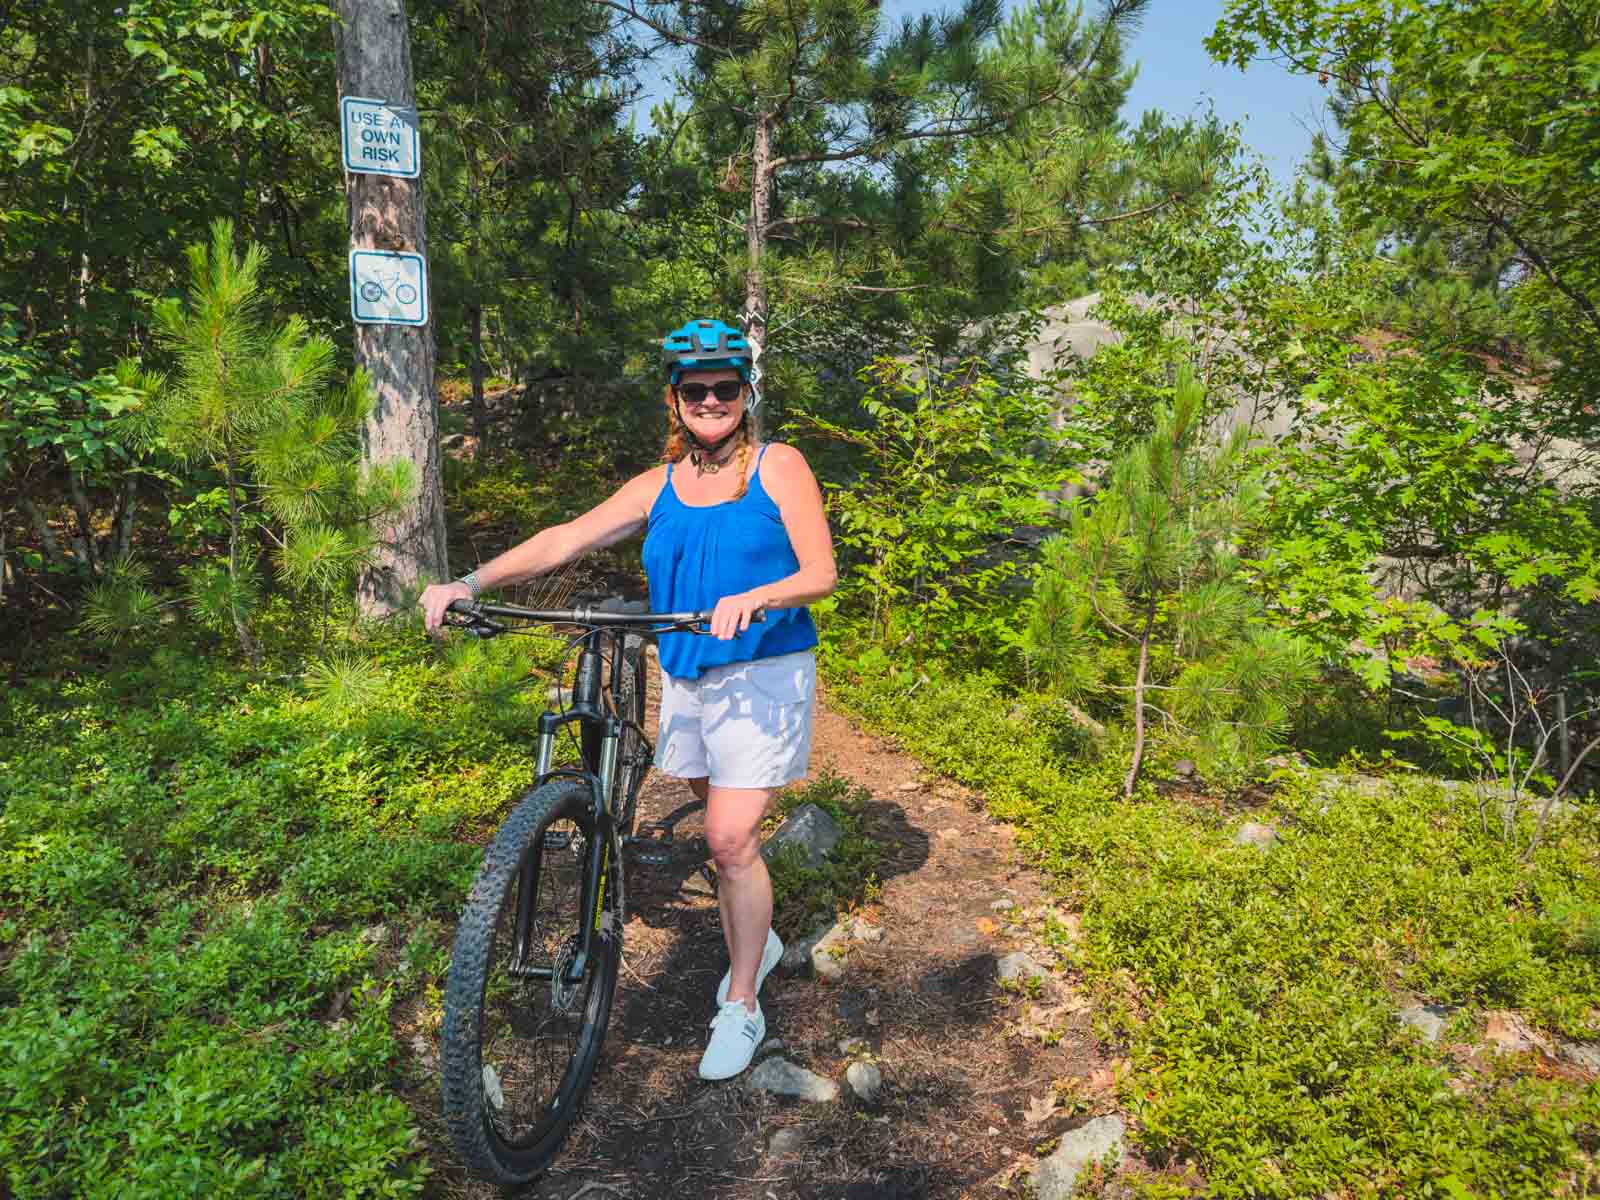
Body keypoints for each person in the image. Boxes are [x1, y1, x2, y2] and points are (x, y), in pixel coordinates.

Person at [420, 318, 837, 1081]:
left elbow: (820, 572)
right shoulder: (661, 484)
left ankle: (742, 1000)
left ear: (745, 394)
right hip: (685, 668)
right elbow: (565, 538)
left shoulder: (778, 467)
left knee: (729, 838)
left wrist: (760, 596)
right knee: (715, 816)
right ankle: (761, 933)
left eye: (724, 387)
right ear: (675, 400)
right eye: (694, 390)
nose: (710, 401)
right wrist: (468, 582)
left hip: (762, 671)